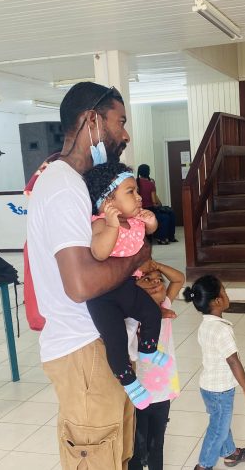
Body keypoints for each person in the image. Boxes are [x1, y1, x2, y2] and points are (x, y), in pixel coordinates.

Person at [27, 82, 151, 470]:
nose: (126, 134)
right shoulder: (64, 187)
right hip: (82, 351)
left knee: (116, 451)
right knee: (97, 455)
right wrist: (138, 257)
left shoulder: (73, 182)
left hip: (95, 346)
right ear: (92, 121)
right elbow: (81, 285)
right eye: (121, 122)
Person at [83, 161, 169, 410]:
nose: (139, 197)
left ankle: (148, 350)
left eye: (136, 191)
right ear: (108, 202)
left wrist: (151, 221)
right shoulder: (101, 223)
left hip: (127, 286)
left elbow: (150, 231)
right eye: (130, 192)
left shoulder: (135, 221)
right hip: (103, 296)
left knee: (152, 313)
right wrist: (111, 224)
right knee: (116, 340)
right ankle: (129, 382)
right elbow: (99, 253)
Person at [183, 275, 245, 470]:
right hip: (221, 391)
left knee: (220, 422)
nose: (227, 295)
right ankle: (203, 465)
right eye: (224, 291)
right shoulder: (222, 330)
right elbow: (233, 360)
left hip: (208, 387)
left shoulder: (206, 325)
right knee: (218, 429)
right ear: (217, 301)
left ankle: (230, 453)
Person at [128, 260, 184, 470]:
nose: (156, 283)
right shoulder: (131, 318)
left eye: (159, 280)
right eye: (147, 279)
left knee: (156, 444)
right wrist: (153, 315)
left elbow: (179, 278)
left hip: (163, 392)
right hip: (138, 394)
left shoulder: (165, 306)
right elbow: (130, 351)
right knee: (136, 447)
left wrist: (156, 266)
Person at [137, 164, 177, 245]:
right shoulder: (150, 184)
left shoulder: (135, 182)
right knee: (166, 216)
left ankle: (163, 237)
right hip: (149, 210)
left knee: (165, 214)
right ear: (148, 172)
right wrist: (159, 205)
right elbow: (155, 202)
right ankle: (165, 238)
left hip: (137, 210)